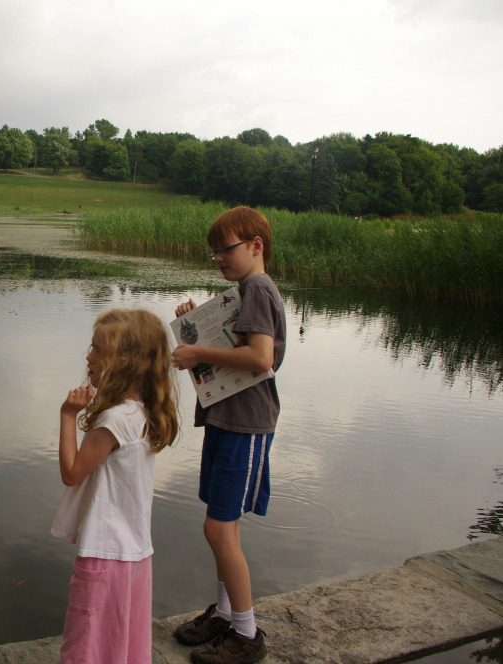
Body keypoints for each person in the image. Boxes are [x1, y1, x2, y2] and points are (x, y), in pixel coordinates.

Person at [170, 206, 286, 664]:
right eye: (214, 251)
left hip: (247, 423)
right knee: (223, 527)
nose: (218, 257)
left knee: (219, 528)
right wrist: (194, 322)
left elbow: (260, 359)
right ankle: (223, 613)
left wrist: (195, 349)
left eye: (226, 248)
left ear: (255, 246)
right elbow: (237, 346)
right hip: (227, 419)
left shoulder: (256, 286)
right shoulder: (246, 289)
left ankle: (246, 633)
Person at [51, 308, 180, 664]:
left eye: (95, 349)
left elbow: (72, 473)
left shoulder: (113, 420)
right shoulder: (143, 412)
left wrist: (67, 416)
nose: (87, 356)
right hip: (135, 551)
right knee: (122, 638)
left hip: (104, 551)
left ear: (123, 362)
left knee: (86, 642)